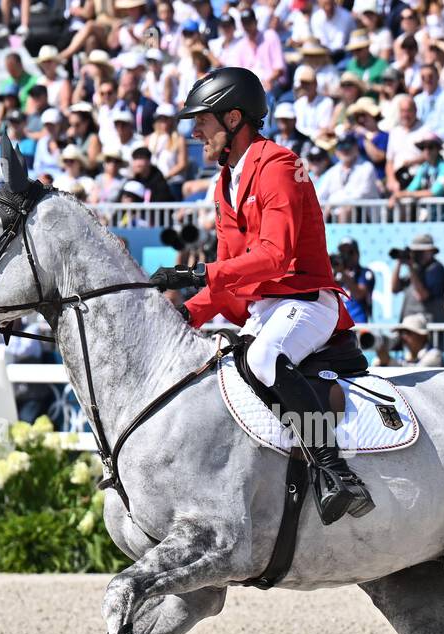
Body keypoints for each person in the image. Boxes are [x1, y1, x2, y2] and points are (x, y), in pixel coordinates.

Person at [146, 67, 373, 524]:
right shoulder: (224, 183)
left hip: (308, 302)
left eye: (202, 122)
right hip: (268, 307)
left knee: (263, 359)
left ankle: (336, 473)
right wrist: (184, 315)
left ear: (233, 119)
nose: (195, 133)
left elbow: (274, 256)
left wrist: (195, 272)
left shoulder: (280, 166)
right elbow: (230, 279)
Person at [392, 233, 444, 324]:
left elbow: (422, 295)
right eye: (414, 251)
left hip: (426, 325)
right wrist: (399, 263)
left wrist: (411, 268)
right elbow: (395, 289)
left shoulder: (436, 270)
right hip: (408, 323)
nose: (415, 254)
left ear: (430, 252)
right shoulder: (416, 269)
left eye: (420, 251)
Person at [332, 238, 375, 325]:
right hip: (338, 325)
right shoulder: (336, 274)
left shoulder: (365, 273)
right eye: (342, 252)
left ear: (357, 254)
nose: (346, 256)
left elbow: (359, 294)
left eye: (350, 252)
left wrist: (343, 272)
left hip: (359, 325)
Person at [376, 313, 443, 368]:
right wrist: (381, 360)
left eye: (407, 332)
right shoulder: (403, 355)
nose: (403, 336)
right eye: (401, 332)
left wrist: (388, 361)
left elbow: (418, 374)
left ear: (422, 336)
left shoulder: (435, 355)